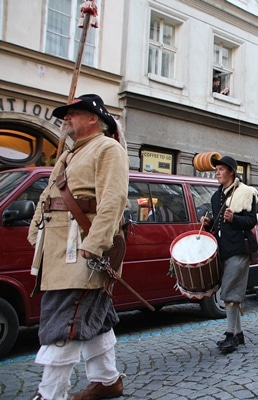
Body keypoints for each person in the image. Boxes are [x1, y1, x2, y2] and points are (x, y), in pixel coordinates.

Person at [27, 94, 129, 400]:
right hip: (58, 249)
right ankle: (107, 381)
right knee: (91, 315)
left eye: (73, 113)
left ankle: (50, 394)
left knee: (65, 318)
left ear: (93, 119)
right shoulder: (68, 154)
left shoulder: (108, 148)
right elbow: (48, 196)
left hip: (81, 248)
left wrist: (96, 243)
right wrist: (36, 233)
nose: (66, 118)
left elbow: (113, 199)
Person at [200, 155, 257, 353]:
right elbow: (219, 224)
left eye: (221, 169)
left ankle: (230, 335)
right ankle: (238, 334)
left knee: (229, 292)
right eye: (216, 170)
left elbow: (251, 221)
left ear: (231, 171)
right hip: (223, 248)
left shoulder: (246, 192)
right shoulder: (216, 197)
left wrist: (234, 219)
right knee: (230, 291)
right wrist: (208, 225)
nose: (217, 172)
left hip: (240, 248)